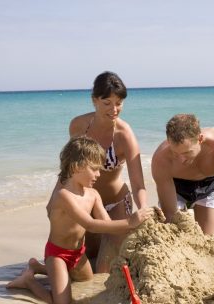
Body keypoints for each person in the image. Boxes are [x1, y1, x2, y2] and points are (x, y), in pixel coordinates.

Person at [7, 137, 153, 304]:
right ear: (77, 167)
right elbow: (90, 224)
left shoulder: (93, 194)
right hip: (58, 255)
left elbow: (106, 225)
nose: (99, 174)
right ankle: (29, 281)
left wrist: (137, 226)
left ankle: (37, 267)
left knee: (86, 281)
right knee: (63, 302)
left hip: (78, 254)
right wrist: (129, 222)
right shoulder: (63, 196)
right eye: (94, 169)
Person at [48, 71, 148, 273]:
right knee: (84, 258)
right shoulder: (78, 125)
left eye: (119, 103)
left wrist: (143, 209)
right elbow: (70, 166)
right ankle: (39, 269)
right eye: (107, 103)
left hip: (117, 202)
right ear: (94, 100)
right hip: (87, 203)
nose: (114, 109)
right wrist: (54, 199)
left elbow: (138, 183)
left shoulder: (124, 134)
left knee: (103, 270)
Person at [151, 114, 214, 235]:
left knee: (208, 237)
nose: (181, 160)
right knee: (174, 233)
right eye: (175, 153)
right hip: (177, 187)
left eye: (187, 152)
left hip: (209, 184)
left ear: (200, 139)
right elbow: (170, 213)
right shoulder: (161, 159)